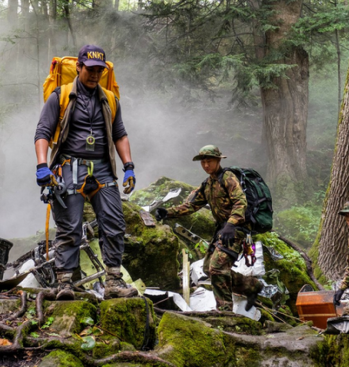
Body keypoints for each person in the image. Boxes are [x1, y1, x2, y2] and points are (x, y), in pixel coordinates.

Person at [34, 45, 138, 300]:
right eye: (89, 69)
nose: (94, 75)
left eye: (99, 70)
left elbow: (119, 134)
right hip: (69, 167)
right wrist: (42, 165)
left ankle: (113, 281)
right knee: (69, 228)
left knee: (114, 223)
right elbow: (42, 133)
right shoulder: (60, 96)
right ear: (79, 68)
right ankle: (65, 283)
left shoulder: (110, 99)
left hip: (103, 170)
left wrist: (129, 167)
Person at [155, 145, 262, 311]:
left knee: (217, 267)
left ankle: (225, 310)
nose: (206, 165)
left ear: (218, 160)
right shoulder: (208, 184)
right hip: (223, 230)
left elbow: (241, 202)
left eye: (209, 161)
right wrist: (167, 213)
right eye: (203, 162)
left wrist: (231, 224)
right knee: (207, 269)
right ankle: (251, 286)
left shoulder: (228, 178)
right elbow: (191, 205)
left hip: (237, 229)